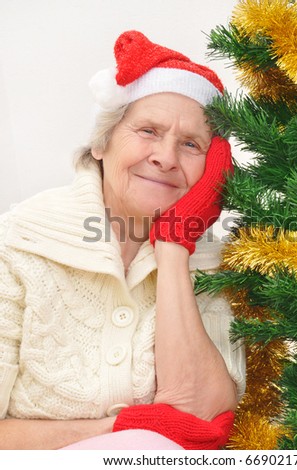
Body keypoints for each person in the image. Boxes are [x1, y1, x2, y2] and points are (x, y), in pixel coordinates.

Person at [0, 30, 246, 450]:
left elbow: (201, 419)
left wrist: (173, 247)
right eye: (148, 131)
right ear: (102, 142)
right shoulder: (17, 244)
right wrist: (118, 431)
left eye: (190, 144)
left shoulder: (218, 263)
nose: (166, 158)